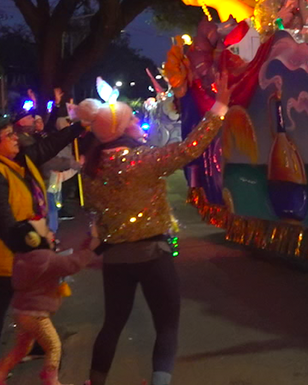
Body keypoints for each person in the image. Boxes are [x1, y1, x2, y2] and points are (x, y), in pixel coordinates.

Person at [79, 73, 230, 385]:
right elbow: (189, 149)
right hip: (153, 255)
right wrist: (219, 109)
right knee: (167, 326)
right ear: (121, 129)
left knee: (112, 324)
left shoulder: (91, 169)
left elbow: (94, 209)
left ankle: (94, 381)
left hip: (114, 259)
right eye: (132, 118)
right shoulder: (142, 160)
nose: (137, 121)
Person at [0, 112, 85, 378]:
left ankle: (31, 346)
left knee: (30, 301)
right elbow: (4, 224)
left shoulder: (19, 162)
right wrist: (33, 247)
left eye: (14, 133)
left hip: (21, 250)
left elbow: (47, 146)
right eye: (8, 136)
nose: (15, 140)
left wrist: (79, 127)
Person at [0, 220, 99, 385]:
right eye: (46, 231)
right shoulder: (44, 258)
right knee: (54, 346)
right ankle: (50, 380)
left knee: (21, 348)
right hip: (36, 315)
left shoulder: (23, 257)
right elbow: (71, 264)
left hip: (22, 312)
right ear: (33, 239)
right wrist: (90, 250)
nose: (51, 233)